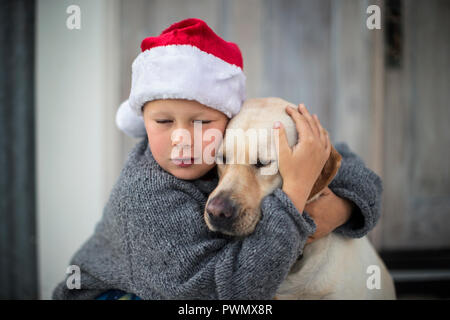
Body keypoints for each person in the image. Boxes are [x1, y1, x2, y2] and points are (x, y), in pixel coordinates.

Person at [52, 18, 382, 300]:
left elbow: (355, 171)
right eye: (164, 122)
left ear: (225, 119)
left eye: (201, 123)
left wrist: (341, 209)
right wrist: (295, 195)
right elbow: (230, 295)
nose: (182, 138)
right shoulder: (145, 197)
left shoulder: (234, 139)